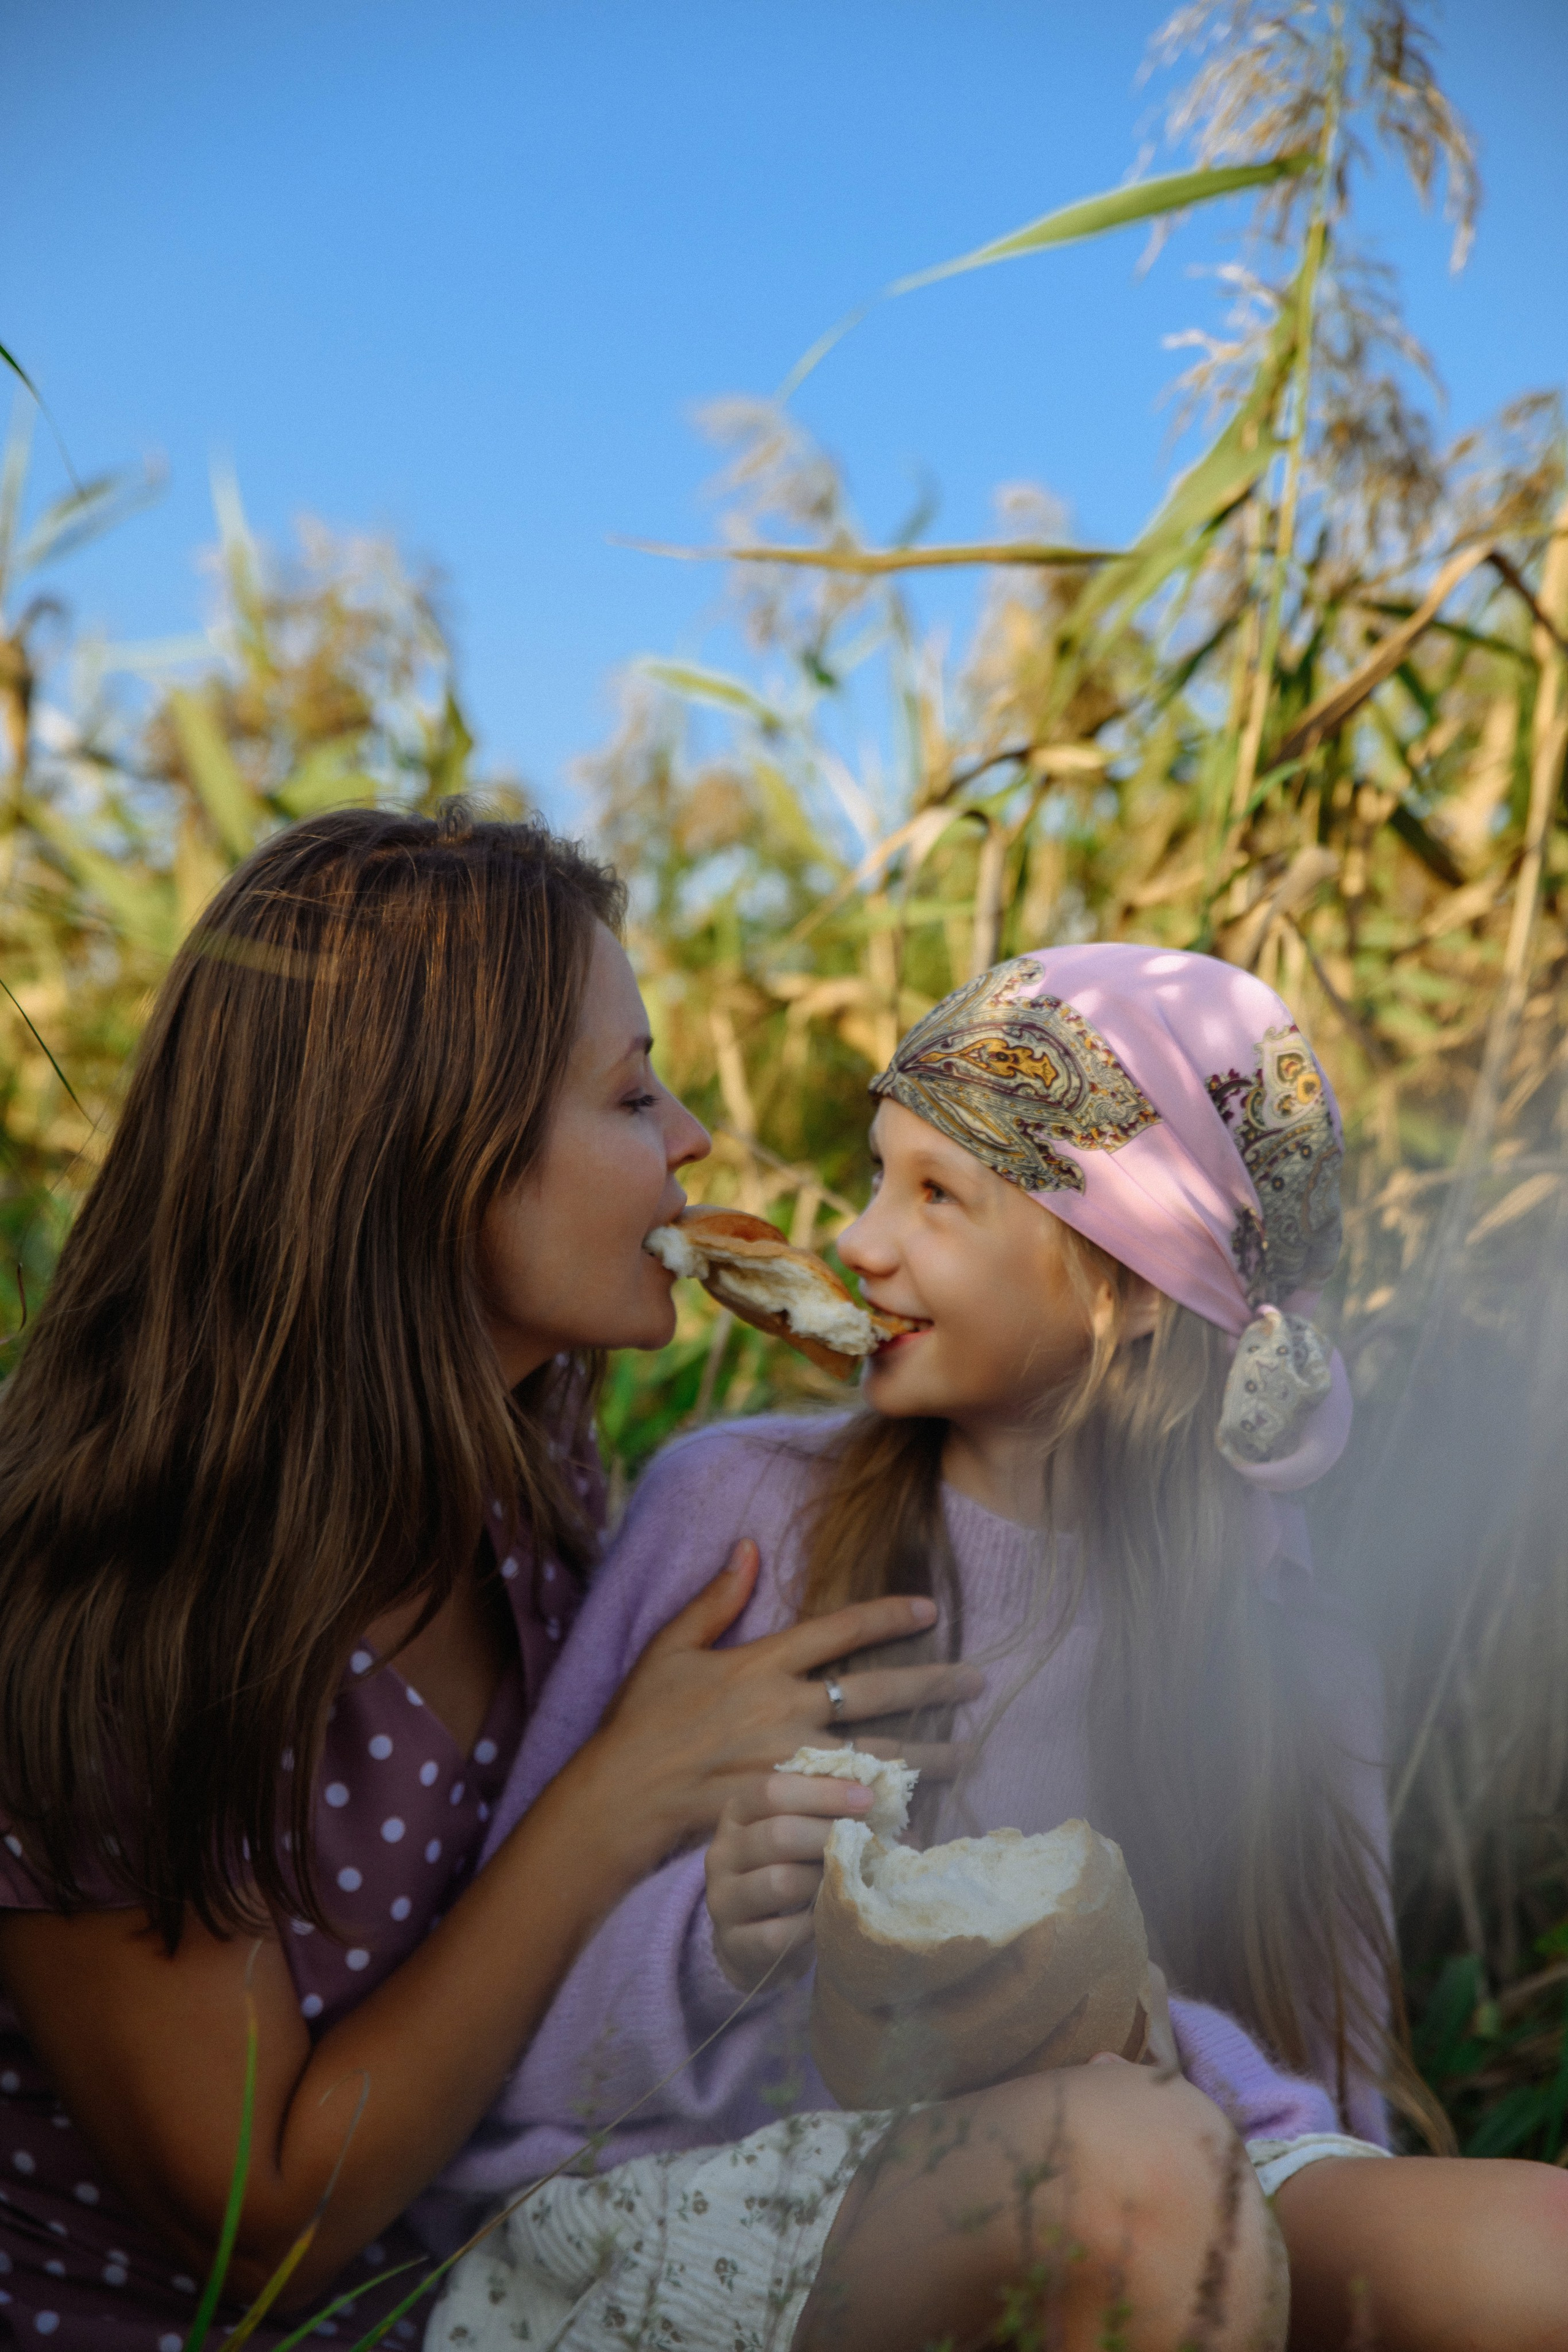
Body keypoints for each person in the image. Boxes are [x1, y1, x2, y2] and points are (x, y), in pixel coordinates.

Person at [426, 946, 1568, 2352]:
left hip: (1158, 2176)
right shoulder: (738, 1514)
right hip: (689, 2208)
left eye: (935, 1197)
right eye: (875, 1177)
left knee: (1529, 2250)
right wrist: (714, 1939)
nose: (856, 1243)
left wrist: (1152, 2051)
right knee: (1135, 2166)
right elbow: (501, 2056)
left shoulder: (1297, 1653)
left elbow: (1325, 2117)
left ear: (1129, 1287)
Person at [0, 804, 972, 2350]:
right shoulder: (115, 1603)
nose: (690, 1140)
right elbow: (264, 2232)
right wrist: (614, 1797)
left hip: (496, 2279)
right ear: (424, 1153)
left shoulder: (523, 1486)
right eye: (628, 1094)